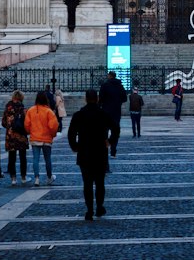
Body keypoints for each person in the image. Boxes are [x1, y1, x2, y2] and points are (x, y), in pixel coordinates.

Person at [68, 88, 111, 220]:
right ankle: (99, 207)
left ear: (86, 99)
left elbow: (71, 134)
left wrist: (75, 147)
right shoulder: (103, 114)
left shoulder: (79, 115)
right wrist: (110, 141)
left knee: (87, 183)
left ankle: (89, 210)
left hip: (84, 152)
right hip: (100, 153)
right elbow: (115, 128)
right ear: (97, 98)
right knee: (100, 182)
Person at [25, 90, 60, 186]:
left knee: (35, 159)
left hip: (35, 137)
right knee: (47, 159)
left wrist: (30, 132)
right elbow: (54, 126)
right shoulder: (48, 111)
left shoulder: (31, 110)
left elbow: (27, 125)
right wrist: (52, 135)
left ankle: (36, 178)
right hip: (46, 138)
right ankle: (49, 177)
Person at [98, 70, 128, 157]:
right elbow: (125, 98)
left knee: (105, 131)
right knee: (115, 132)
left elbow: (100, 99)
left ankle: (105, 149)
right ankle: (113, 151)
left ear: (110, 76)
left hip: (105, 111)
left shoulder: (104, 86)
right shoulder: (120, 86)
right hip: (116, 111)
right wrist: (117, 102)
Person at [2, 90, 29, 186]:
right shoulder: (23, 108)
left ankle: (13, 178)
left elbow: (3, 123)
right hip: (21, 135)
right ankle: (23, 177)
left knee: (12, 157)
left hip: (11, 136)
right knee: (23, 157)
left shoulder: (8, 108)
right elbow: (27, 123)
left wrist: (10, 127)